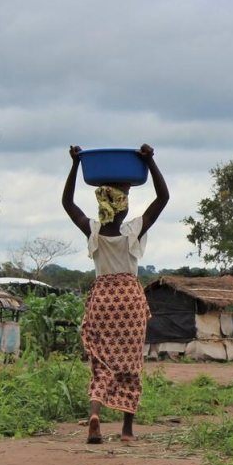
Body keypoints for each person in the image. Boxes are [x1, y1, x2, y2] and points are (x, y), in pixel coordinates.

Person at [63, 143, 169, 443]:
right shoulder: (132, 230)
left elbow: (67, 203)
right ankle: (126, 430)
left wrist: (74, 165)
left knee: (101, 362)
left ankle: (94, 413)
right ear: (123, 206)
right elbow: (163, 197)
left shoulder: (94, 231)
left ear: (101, 205)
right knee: (131, 364)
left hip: (102, 299)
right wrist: (150, 162)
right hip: (129, 300)